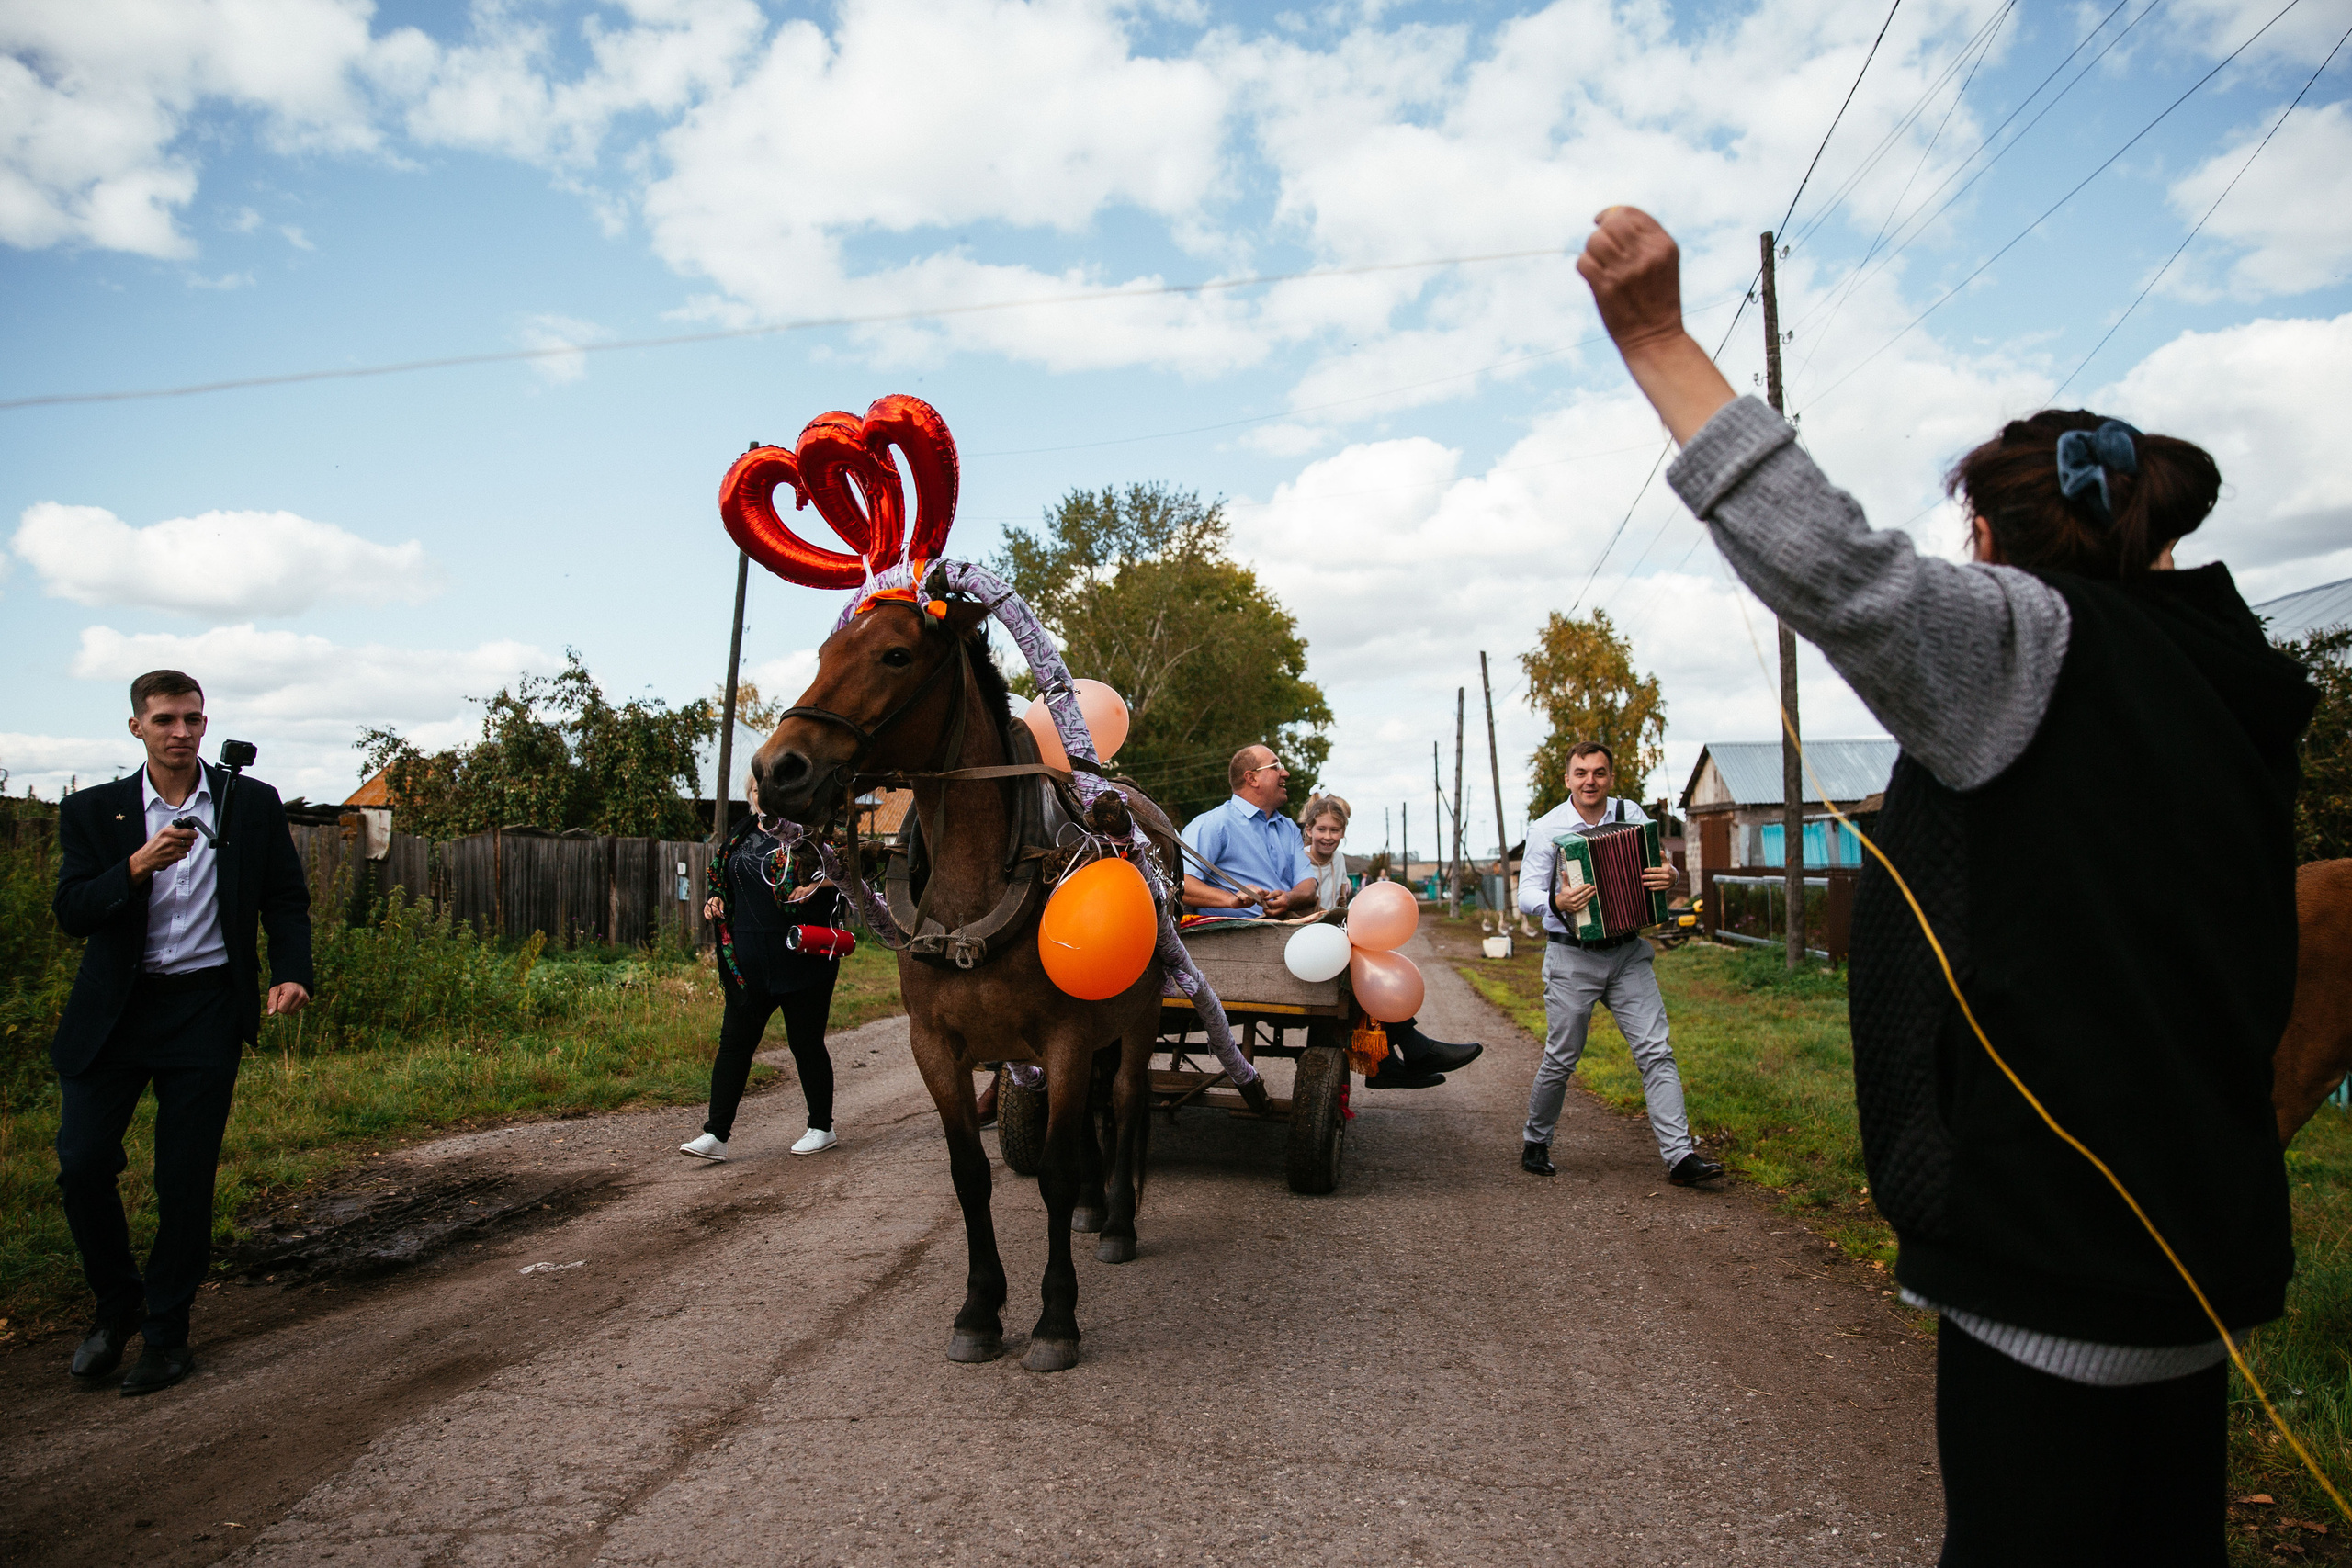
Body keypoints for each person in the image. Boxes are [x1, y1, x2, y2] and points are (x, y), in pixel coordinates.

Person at [1577, 204, 2312, 1564]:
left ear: (1987, 534)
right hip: (2197, 1252)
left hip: (2052, 1262)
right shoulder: (2232, 683)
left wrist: (1658, 338)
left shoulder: (2029, 645)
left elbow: (1838, 565)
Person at [51, 670, 311, 1395]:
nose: (181, 732)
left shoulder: (248, 803)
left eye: (192, 719)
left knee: (184, 1179)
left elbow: (285, 897)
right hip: (117, 1011)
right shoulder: (93, 811)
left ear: (206, 723)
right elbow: (72, 909)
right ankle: (116, 1303)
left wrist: (293, 971)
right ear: (136, 727)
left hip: (204, 1009)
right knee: (82, 1164)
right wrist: (135, 866)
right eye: (164, 719)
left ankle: (166, 1334)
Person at [1517, 742, 1721, 1185]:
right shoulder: (1546, 828)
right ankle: (1536, 1140)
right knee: (1562, 1056)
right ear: (1567, 779)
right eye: (1581, 772)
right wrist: (1558, 899)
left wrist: (1672, 877)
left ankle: (1681, 1158)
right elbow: (1525, 895)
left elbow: (1664, 870)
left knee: (1656, 1051)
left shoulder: (1634, 816)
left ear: (1610, 777)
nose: (1590, 780)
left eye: (1600, 772)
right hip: (1572, 956)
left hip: (1628, 953)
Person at [684, 792, 850, 1162]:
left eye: (769, 786)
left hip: (802, 957)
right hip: (747, 963)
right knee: (734, 1047)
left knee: (805, 1044)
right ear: (751, 794)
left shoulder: (815, 832)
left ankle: (822, 1128)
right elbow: (721, 876)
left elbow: (855, 869)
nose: (763, 794)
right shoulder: (742, 832)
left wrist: (819, 885)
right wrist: (716, 897)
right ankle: (716, 1136)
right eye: (756, 788)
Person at [1179, 746, 1318, 919]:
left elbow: (1309, 887)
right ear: (1252, 778)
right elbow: (1182, 884)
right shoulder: (1213, 824)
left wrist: (1289, 899)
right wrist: (1230, 899)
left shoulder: (1289, 828)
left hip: (1288, 933)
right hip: (1233, 939)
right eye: (1276, 767)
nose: (1285, 773)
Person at [1299, 793, 1353, 910]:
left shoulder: (1338, 858)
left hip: (1330, 924)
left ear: (1342, 832)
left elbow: (1341, 899)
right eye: (1321, 829)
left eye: (1334, 830)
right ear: (1309, 830)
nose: (1327, 836)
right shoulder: (1300, 859)